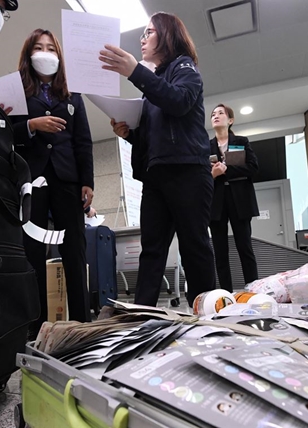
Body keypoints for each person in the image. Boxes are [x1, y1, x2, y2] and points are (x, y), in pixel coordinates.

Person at [99, 12, 216, 308]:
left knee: (194, 246)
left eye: (149, 32)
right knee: (151, 250)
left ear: (167, 35)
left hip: (187, 170)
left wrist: (135, 71)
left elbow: (178, 102)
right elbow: (153, 140)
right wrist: (128, 134)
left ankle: (206, 314)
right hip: (156, 175)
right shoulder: (154, 85)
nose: (142, 38)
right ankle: (142, 315)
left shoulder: (184, 67)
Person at [12, 29, 94, 328]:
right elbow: (3, 132)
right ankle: (37, 327)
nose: (45, 53)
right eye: (38, 47)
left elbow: (83, 141)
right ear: (28, 54)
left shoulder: (73, 94)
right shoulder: (16, 90)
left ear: (59, 56)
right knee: (32, 250)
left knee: (74, 249)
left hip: (68, 178)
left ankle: (82, 323)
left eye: (51, 48)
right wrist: (31, 125)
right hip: (31, 179)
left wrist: (88, 181)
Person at [209, 104, 260, 292]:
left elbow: (253, 168)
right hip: (216, 203)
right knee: (220, 252)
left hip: (240, 201)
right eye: (213, 114)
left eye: (220, 113)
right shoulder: (205, 146)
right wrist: (213, 175)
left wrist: (227, 170)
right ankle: (225, 295)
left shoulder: (242, 141)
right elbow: (199, 176)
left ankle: (253, 291)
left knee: (245, 248)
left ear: (230, 120)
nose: (216, 116)